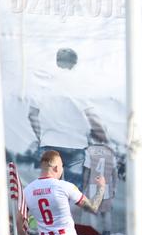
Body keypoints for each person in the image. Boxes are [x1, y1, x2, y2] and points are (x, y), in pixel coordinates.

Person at [28, 48, 107, 190]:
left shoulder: (43, 85)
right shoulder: (79, 86)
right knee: (73, 191)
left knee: (49, 189)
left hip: (49, 143)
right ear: (74, 63)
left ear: (56, 62)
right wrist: (102, 136)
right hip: (75, 145)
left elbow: (32, 115)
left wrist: (40, 136)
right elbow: (91, 116)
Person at [81, 129, 117, 234]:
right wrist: (114, 187)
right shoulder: (110, 151)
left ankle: (95, 234)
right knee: (106, 212)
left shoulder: (89, 150)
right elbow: (115, 172)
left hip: (93, 186)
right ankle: (107, 234)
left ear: (92, 137)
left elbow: (87, 172)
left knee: (93, 212)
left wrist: (83, 188)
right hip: (106, 186)